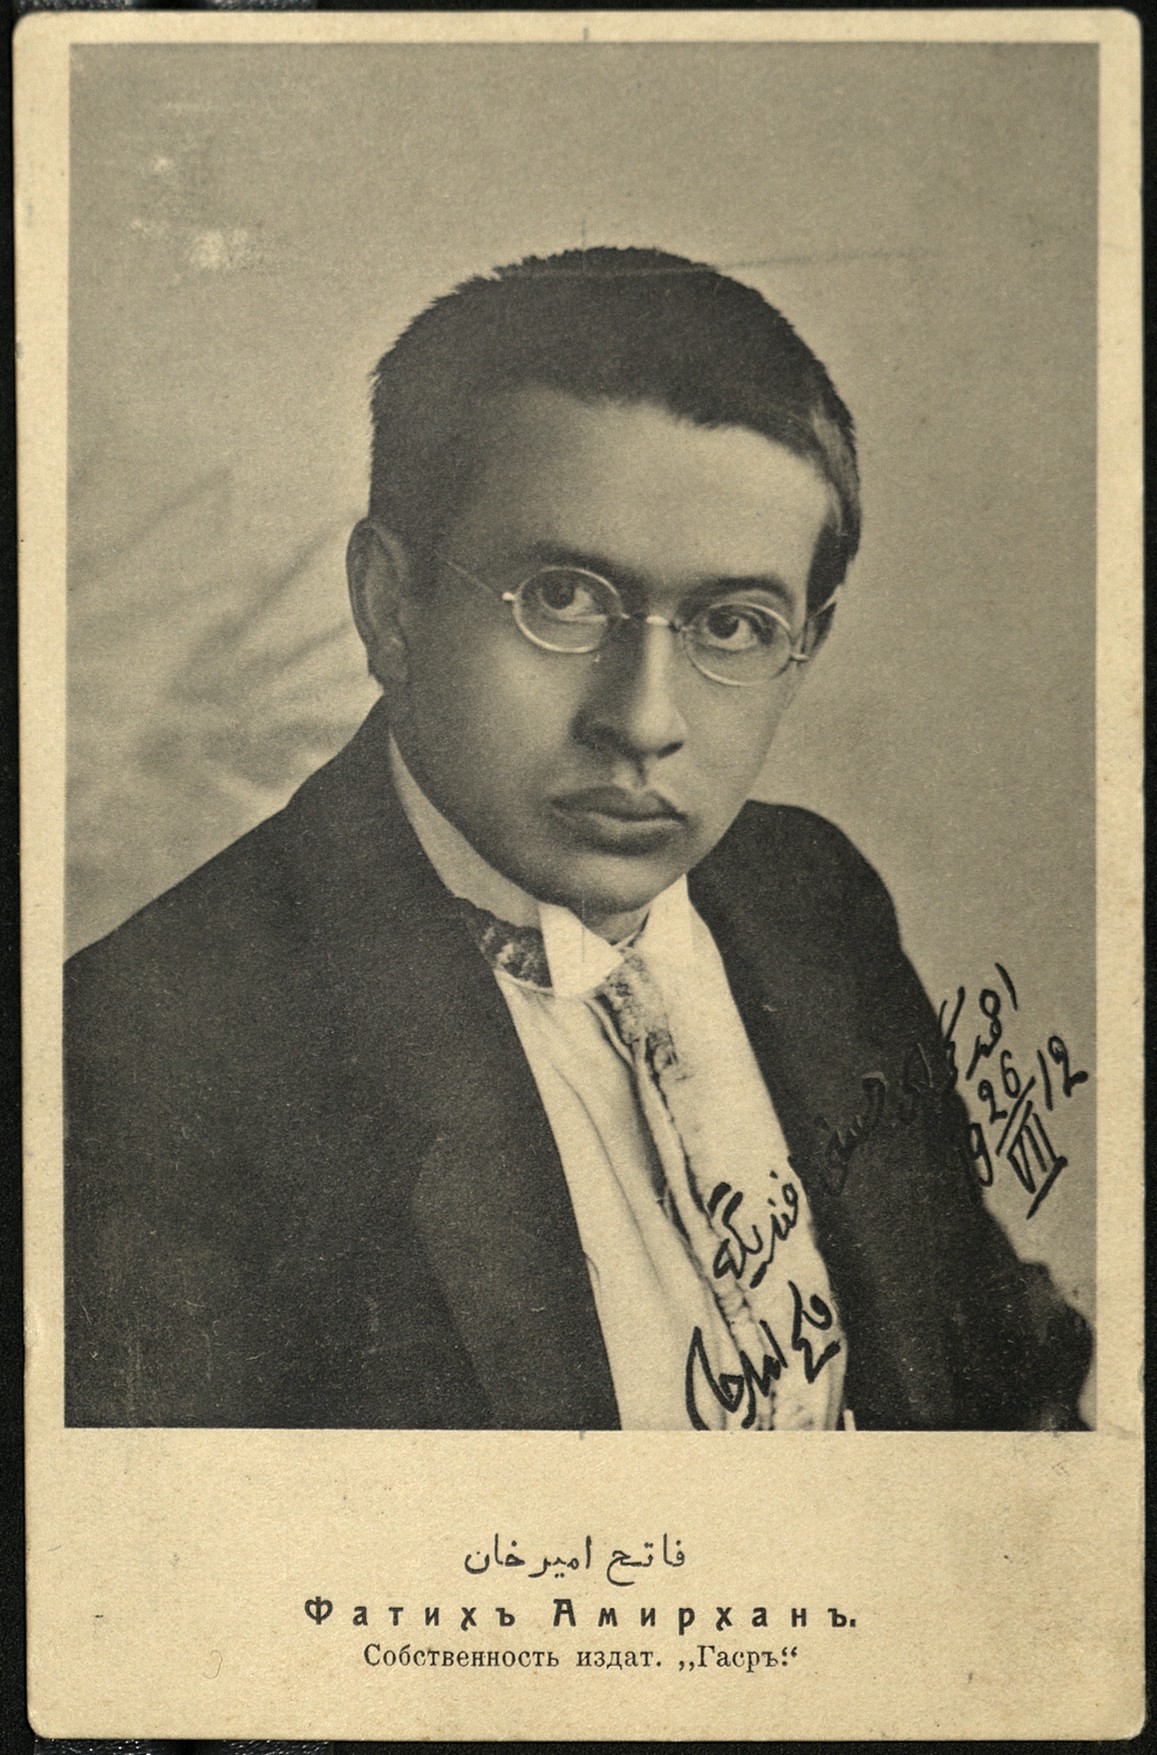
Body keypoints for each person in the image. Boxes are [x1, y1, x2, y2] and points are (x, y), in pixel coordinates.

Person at [64, 247, 1090, 1431]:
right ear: (390, 606)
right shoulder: (143, 1050)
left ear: (803, 643)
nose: (642, 722)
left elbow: (982, 1362)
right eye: (561, 597)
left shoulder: (809, 892)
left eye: (732, 624)